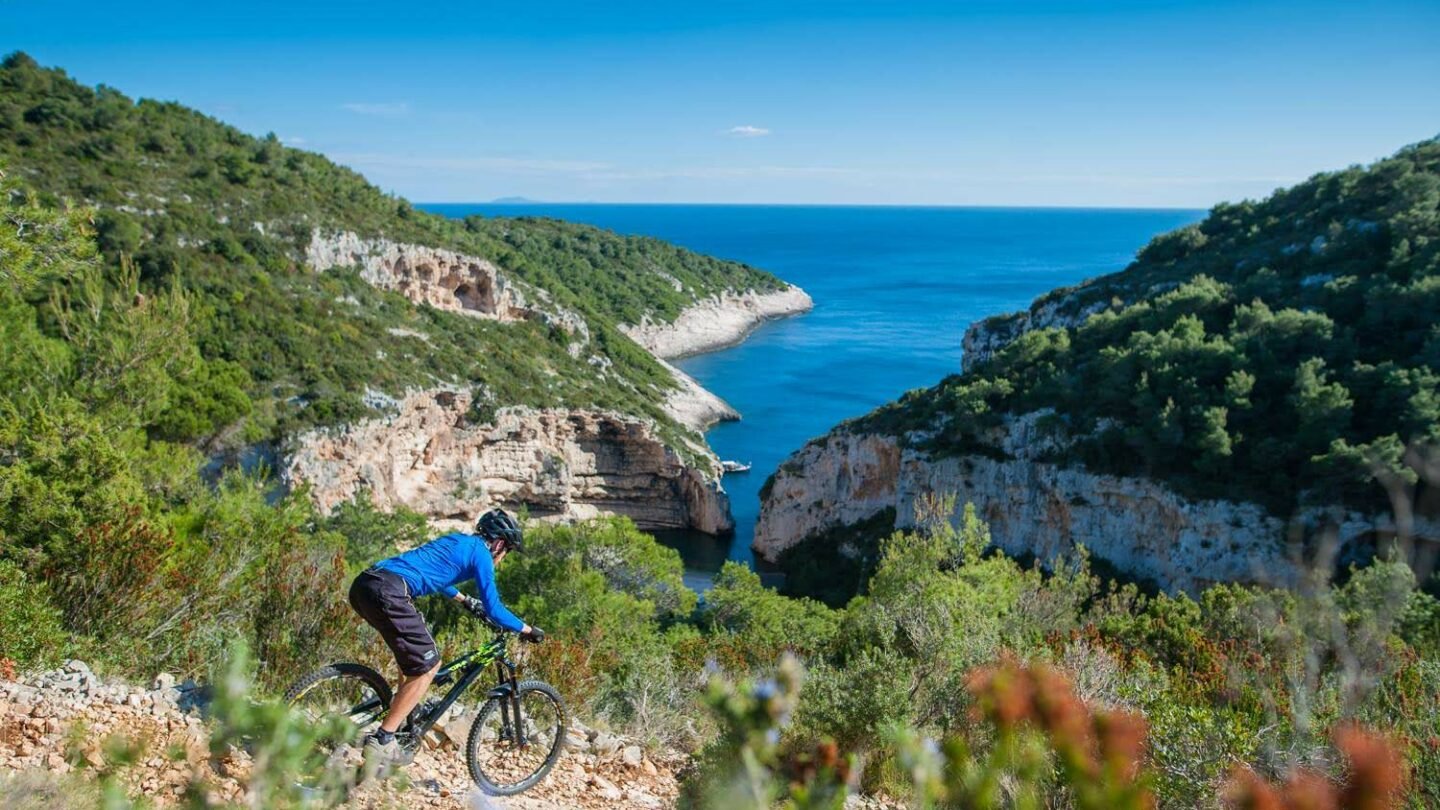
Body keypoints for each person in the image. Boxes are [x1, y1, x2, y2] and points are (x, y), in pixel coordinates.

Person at [348, 508, 544, 772]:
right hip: (390, 592)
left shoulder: (456, 540)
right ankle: (383, 739)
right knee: (430, 666)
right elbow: (495, 609)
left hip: (365, 584)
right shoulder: (482, 555)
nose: (503, 558)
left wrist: (463, 600)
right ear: (499, 543)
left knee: (412, 663)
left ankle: (401, 715)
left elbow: (436, 573)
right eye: (506, 551)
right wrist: (527, 629)